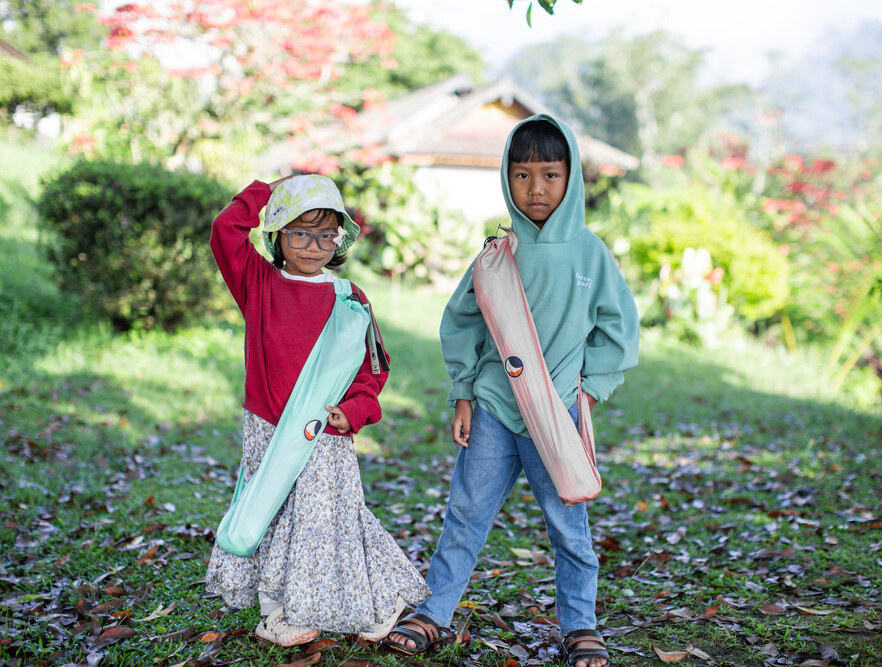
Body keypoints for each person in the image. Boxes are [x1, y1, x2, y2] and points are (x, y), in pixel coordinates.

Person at [383, 115, 639, 667]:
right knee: (465, 514)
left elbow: (619, 328)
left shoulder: (590, 253)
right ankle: (433, 611)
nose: (536, 188)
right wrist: (464, 392)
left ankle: (581, 625)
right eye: (522, 175)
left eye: (550, 174)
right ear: (506, 177)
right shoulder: (498, 255)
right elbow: (463, 322)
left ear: (571, 176)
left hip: (556, 415)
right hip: (495, 409)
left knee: (569, 525)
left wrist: (590, 389)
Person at [205, 174, 430, 647]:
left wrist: (356, 410)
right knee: (272, 511)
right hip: (269, 428)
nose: (314, 246)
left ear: (340, 239)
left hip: (325, 433)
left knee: (333, 518)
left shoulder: (350, 299)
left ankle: (374, 600)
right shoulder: (258, 283)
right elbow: (225, 229)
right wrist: (269, 189)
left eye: (327, 234)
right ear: (277, 235)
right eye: (301, 233)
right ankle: (275, 613)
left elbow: (373, 367)